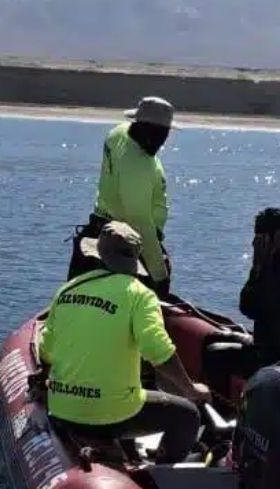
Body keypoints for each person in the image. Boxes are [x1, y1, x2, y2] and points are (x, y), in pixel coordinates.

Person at [42, 221, 210, 463]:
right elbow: (157, 350)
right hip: (113, 415)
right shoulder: (139, 295)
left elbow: (46, 350)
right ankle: (157, 473)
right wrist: (191, 389)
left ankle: (122, 451)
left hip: (63, 410)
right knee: (188, 416)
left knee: (128, 393)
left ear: (98, 253)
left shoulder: (67, 290)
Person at [202, 208, 280, 407]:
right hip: (272, 347)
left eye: (259, 237)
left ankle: (222, 415)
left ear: (277, 236)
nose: (253, 244)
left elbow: (249, 307)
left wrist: (258, 267)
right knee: (213, 337)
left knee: (216, 353)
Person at [68, 96, 174, 293]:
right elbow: (139, 221)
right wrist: (159, 274)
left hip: (97, 229)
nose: (163, 140)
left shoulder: (118, 133)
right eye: (162, 134)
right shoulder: (138, 165)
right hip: (124, 245)